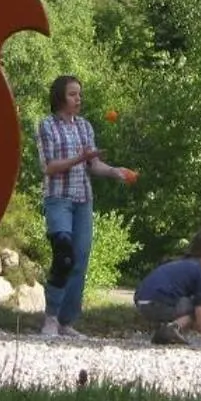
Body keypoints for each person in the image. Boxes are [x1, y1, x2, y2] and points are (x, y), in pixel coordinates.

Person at [35, 74, 136, 341]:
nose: (78, 99)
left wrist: (115, 171)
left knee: (79, 261)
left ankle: (67, 322)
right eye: (73, 94)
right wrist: (80, 157)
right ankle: (51, 318)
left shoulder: (85, 127)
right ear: (60, 97)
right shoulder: (47, 126)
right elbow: (49, 167)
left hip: (83, 201)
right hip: (59, 199)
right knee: (64, 255)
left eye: (79, 94)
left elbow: (93, 165)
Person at [133, 230, 201, 347]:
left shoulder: (183, 264)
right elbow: (200, 309)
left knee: (184, 300)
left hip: (141, 301)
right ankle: (173, 328)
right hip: (158, 303)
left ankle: (166, 332)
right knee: (198, 306)